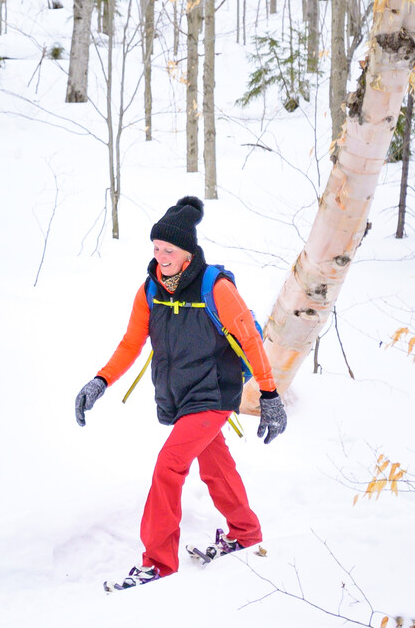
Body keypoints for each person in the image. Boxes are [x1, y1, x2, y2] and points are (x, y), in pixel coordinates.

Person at [74, 196, 286, 591]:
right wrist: (99, 381)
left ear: (187, 252)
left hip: (215, 392)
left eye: (168, 250)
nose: (160, 256)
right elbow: (130, 344)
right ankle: (246, 534)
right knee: (215, 465)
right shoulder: (150, 290)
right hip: (181, 398)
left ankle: (158, 563)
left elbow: (251, 342)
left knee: (168, 465)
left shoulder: (215, 287)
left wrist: (270, 396)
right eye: (156, 249)